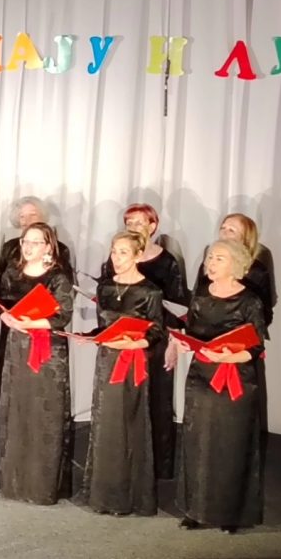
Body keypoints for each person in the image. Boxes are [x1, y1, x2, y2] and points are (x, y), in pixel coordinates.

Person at [175, 239, 268, 532]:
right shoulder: (201, 296)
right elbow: (192, 330)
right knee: (199, 443)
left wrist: (228, 356)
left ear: (236, 264)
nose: (211, 263)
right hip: (201, 378)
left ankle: (231, 514)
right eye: (210, 258)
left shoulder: (250, 301)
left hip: (235, 380)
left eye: (219, 258)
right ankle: (196, 510)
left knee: (230, 445)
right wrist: (184, 342)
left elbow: (255, 347)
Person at [77, 230, 164, 516]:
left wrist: (133, 343)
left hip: (132, 362)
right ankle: (104, 494)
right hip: (107, 360)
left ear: (138, 256)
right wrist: (89, 336)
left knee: (130, 421)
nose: (116, 257)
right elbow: (104, 326)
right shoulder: (105, 288)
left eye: (123, 252)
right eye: (114, 251)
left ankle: (130, 495)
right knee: (106, 422)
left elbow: (157, 332)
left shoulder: (150, 291)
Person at [101, 202, 188, 480]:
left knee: (157, 400)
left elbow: (177, 306)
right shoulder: (116, 257)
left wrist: (174, 343)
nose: (133, 227)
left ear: (153, 226)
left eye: (139, 222)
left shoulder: (167, 262)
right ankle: (125, 462)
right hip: (122, 338)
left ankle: (157, 467)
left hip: (155, 340)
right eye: (129, 223)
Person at [0, 222, 74, 504]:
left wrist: (32, 322)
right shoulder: (12, 272)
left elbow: (62, 315)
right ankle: (14, 481)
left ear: (48, 246)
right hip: (17, 347)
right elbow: (0, 303)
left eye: (35, 242)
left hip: (47, 351)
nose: (28, 247)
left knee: (43, 412)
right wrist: (5, 316)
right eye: (25, 242)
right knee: (17, 408)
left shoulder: (57, 277)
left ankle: (42, 485)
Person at [192, 213, 276, 328]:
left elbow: (265, 315)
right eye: (222, 228)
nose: (224, 233)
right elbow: (196, 298)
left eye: (231, 230)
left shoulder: (257, 272)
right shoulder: (209, 263)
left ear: (245, 238)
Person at [0, 197, 74, 288]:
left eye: (33, 215)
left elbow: (67, 287)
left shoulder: (60, 249)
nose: (27, 221)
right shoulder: (9, 247)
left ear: (43, 217)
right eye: (22, 216)